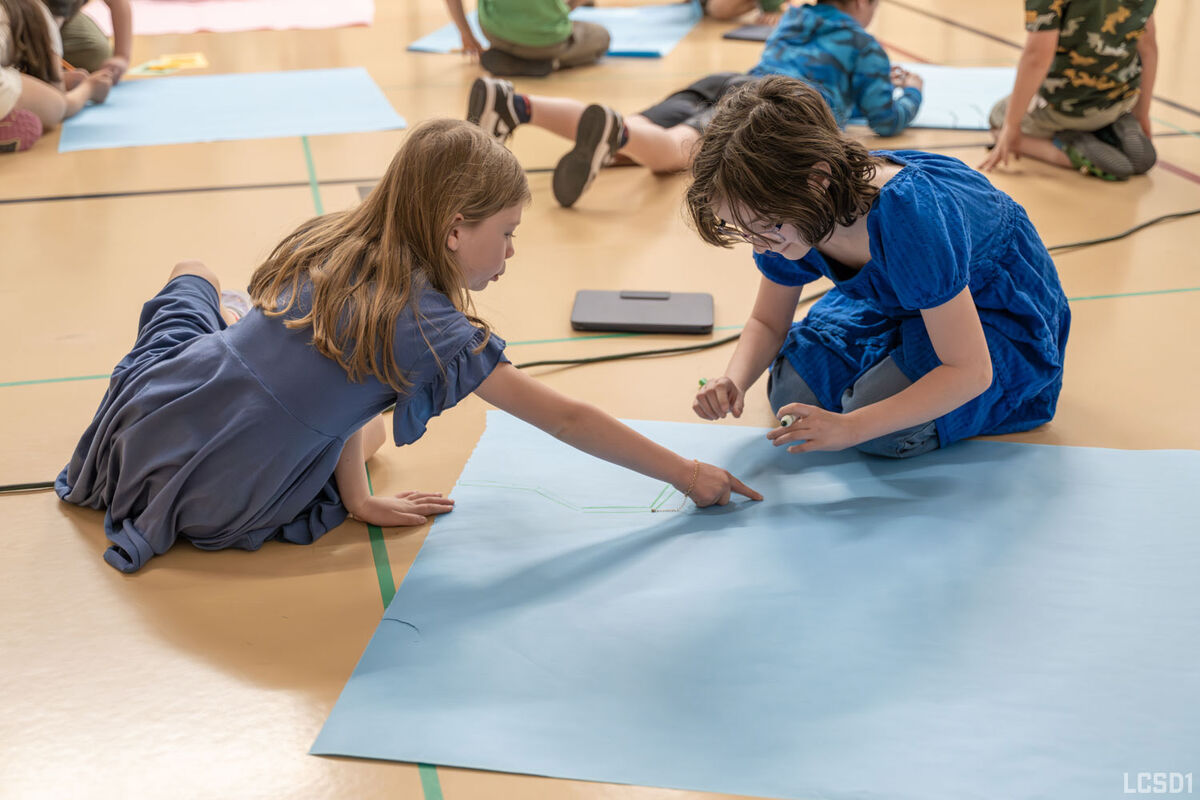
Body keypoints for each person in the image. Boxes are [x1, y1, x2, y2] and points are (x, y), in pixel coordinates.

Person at [56, 119, 761, 573]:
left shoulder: (329, 238)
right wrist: (686, 472)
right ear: (455, 229)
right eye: (507, 231)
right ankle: (240, 326)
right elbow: (566, 417)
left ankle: (231, 315)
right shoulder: (434, 330)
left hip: (144, 423)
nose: (512, 250)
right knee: (369, 429)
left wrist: (358, 500)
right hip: (223, 497)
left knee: (198, 274)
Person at [686, 77, 1070, 459]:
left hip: (988, 310)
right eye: (743, 230)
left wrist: (851, 428)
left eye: (765, 227)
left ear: (817, 180)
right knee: (791, 392)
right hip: (903, 299)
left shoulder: (909, 218)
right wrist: (733, 379)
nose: (758, 245)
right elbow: (768, 322)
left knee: (876, 430)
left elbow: (971, 370)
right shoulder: (783, 218)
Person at [466, 0, 922, 207]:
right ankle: (615, 132)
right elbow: (885, 117)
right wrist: (912, 89)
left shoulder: (796, 15)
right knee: (670, 153)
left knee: (632, 135)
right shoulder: (863, 43)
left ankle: (520, 105)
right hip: (764, 112)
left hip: (732, 81)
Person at [979, 0, 1157, 181]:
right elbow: (1148, 48)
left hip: (1067, 107)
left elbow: (1037, 58)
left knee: (998, 119)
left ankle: (1072, 152)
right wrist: (1142, 114)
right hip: (1120, 100)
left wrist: (1011, 125)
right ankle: (1110, 128)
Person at [0, 0, 110, 151]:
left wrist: (59, 78)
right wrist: (89, 89)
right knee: (56, 107)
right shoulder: (41, 14)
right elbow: (62, 101)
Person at [444, 0, 609, 77]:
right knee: (601, 36)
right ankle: (551, 62)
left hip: (496, 33)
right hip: (548, 39)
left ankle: (514, 55)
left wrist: (466, 33)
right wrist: (568, 7)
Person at [43, 0, 132, 82]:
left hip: (61, 16)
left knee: (99, 55)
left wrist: (121, 56)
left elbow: (119, 2)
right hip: (33, 15)